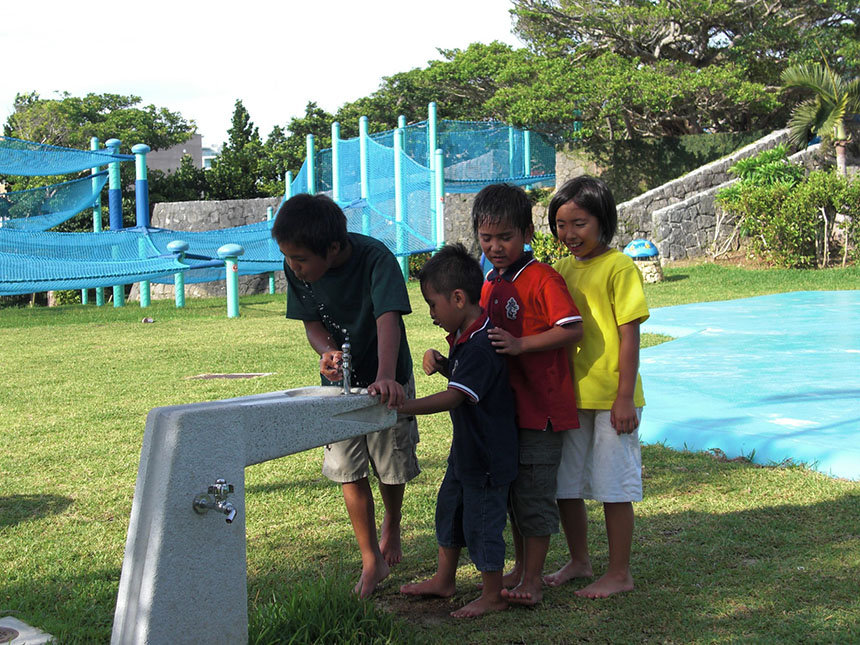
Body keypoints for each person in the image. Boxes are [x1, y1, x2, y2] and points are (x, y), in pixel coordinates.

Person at [271, 193, 420, 599]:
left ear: (333, 247)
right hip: (340, 387)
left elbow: (387, 318)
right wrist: (327, 353)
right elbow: (312, 324)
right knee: (346, 466)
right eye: (288, 257)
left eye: (300, 259)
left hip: (387, 377)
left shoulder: (375, 259)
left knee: (391, 466)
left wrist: (387, 376)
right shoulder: (296, 266)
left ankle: (392, 520)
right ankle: (372, 560)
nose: (293, 267)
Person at [473, 183, 583, 606]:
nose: (496, 246)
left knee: (534, 497)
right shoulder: (489, 281)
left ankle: (533, 581)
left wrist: (522, 345)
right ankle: (520, 569)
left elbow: (572, 328)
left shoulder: (543, 279)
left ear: (527, 234)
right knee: (514, 496)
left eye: (505, 237)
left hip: (542, 412)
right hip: (505, 413)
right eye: (487, 238)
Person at [397, 243, 518, 618]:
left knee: (482, 522)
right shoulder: (468, 338)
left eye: (433, 305)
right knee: (449, 510)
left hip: (487, 455)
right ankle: (444, 579)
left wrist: (405, 408)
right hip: (467, 452)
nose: (431, 314)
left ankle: (492, 593)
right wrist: (445, 363)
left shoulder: (482, 344)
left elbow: (456, 398)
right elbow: (468, 384)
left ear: (459, 298)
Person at [543, 176, 650, 598]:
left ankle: (620, 573)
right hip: (572, 397)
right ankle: (580, 560)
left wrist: (624, 397)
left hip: (612, 400)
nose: (568, 234)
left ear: (603, 221)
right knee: (565, 484)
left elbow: (630, 335)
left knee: (613, 485)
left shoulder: (619, 267)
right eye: (561, 224)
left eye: (579, 223)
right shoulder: (562, 270)